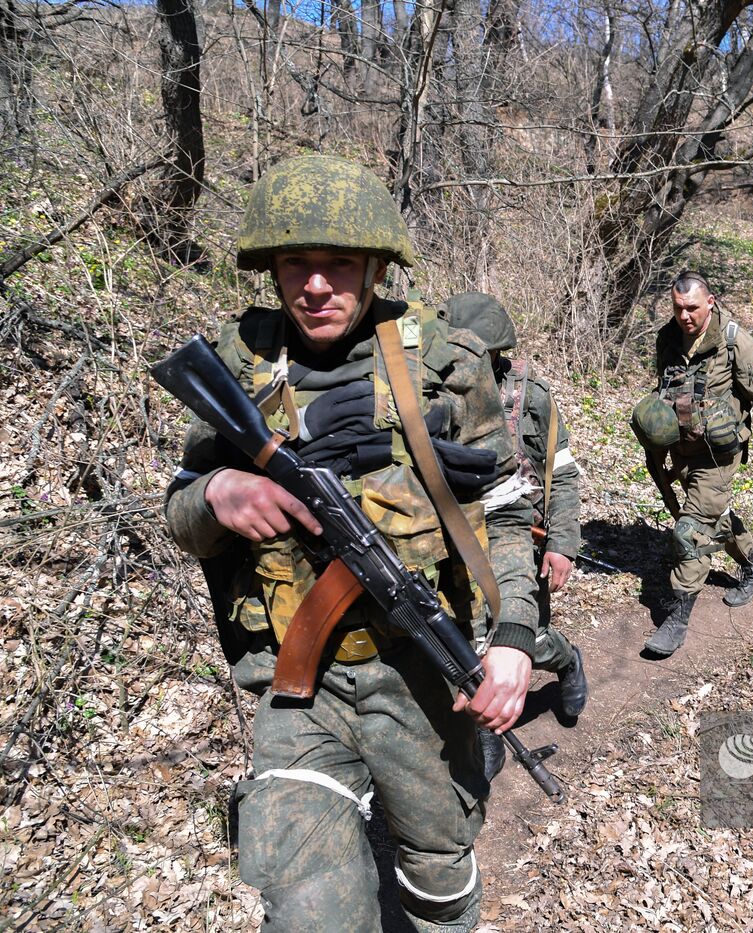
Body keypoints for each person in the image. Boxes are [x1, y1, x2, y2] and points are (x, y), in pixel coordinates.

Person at [162, 154, 537, 931]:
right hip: (300, 686)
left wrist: (513, 637)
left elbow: (502, 512)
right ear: (272, 269)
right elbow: (180, 515)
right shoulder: (242, 363)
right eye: (298, 263)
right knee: (310, 909)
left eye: (340, 264)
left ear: (375, 268)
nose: (317, 285)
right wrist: (218, 494)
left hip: (420, 676)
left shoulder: (445, 362)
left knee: (438, 872)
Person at [446, 292, 588, 770]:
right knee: (464, 642)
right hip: (456, 542)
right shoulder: (434, 395)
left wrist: (564, 544)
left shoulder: (533, 399)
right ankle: (484, 736)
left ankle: (565, 658)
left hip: (519, 544)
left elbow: (563, 474)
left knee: (522, 636)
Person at [632, 271, 753, 657]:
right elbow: (665, 388)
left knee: (690, 531)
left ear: (710, 302)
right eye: (678, 308)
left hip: (719, 456)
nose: (684, 316)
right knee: (715, 516)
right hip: (682, 451)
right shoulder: (668, 338)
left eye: (692, 308)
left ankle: (676, 618)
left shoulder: (735, 342)